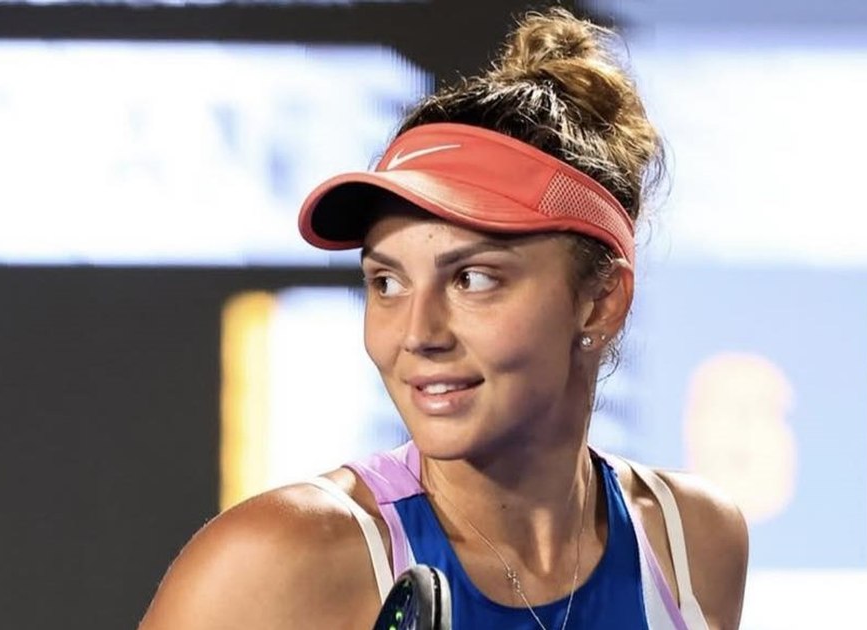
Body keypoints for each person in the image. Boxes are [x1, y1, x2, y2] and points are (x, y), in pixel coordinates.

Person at [140, 6, 748, 629]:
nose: (417, 334)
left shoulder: (692, 539)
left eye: (473, 278)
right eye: (388, 282)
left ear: (601, 302)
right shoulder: (274, 562)